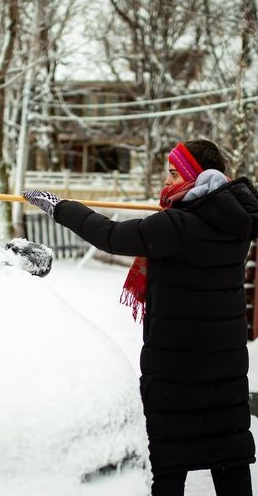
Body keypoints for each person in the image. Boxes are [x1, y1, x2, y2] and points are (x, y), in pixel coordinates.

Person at [23, 140, 256, 496]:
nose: (167, 179)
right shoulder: (232, 223)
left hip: (177, 367)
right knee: (227, 452)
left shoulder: (179, 226)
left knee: (170, 458)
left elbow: (112, 236)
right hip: (224, 363)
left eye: (175, 173)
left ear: (196, 177)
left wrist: (59, 207)